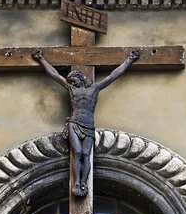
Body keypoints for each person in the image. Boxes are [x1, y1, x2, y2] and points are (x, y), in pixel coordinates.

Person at [31, 48, 140, 197]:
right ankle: (76, 182)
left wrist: (130, 60)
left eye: (73, 79)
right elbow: (54, 74)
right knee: (78, 152)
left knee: (86, 154)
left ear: (79, 77)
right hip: (74, 124)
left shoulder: (95, 89)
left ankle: (84, 182)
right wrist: (41, 59)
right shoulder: (71, 89)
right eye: (70, 80)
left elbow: (114, 75)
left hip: (88, 125)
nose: (71, 82)